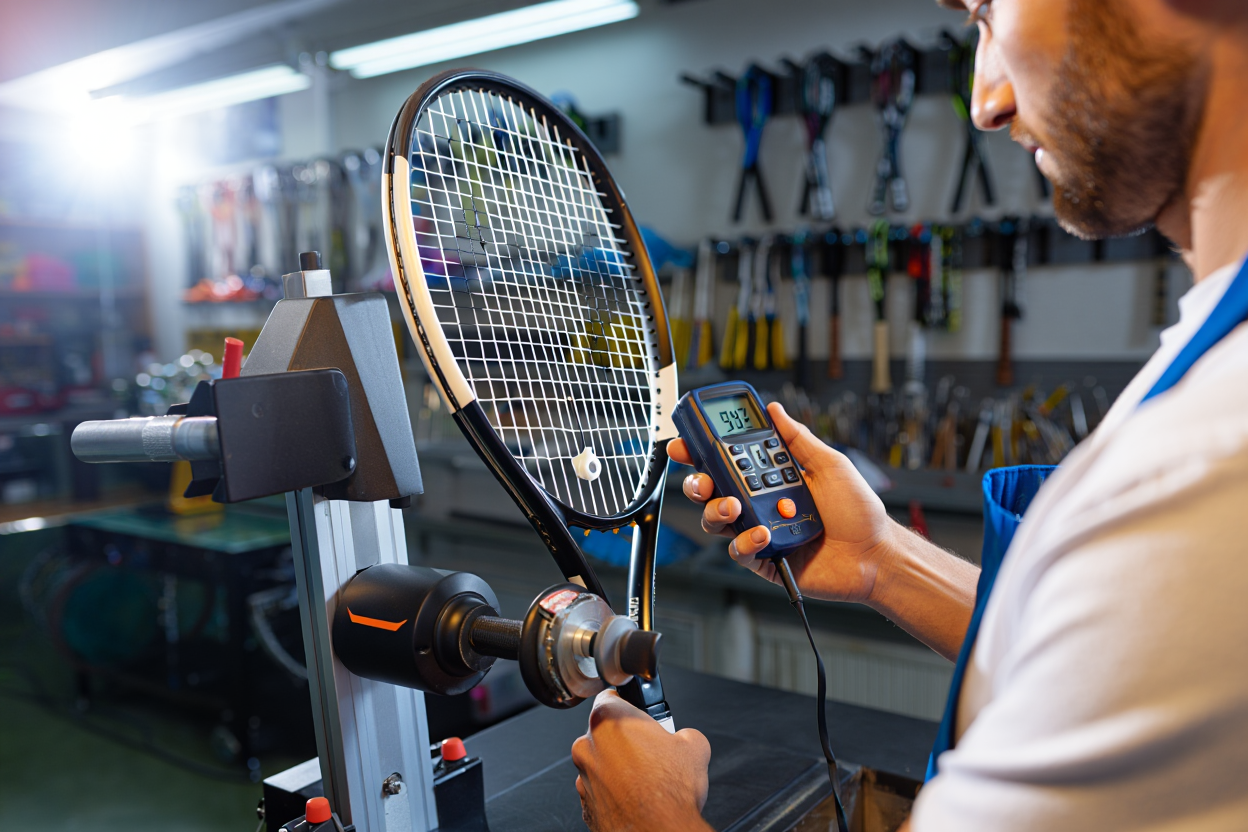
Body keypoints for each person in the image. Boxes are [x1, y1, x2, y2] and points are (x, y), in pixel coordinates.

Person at [570, 0, 1248, 828]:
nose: (985, 100)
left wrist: (655, 817)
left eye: (992, 11)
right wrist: (882, 561)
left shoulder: (1209, 463)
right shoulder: (1209, 376)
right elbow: (1133, 655)